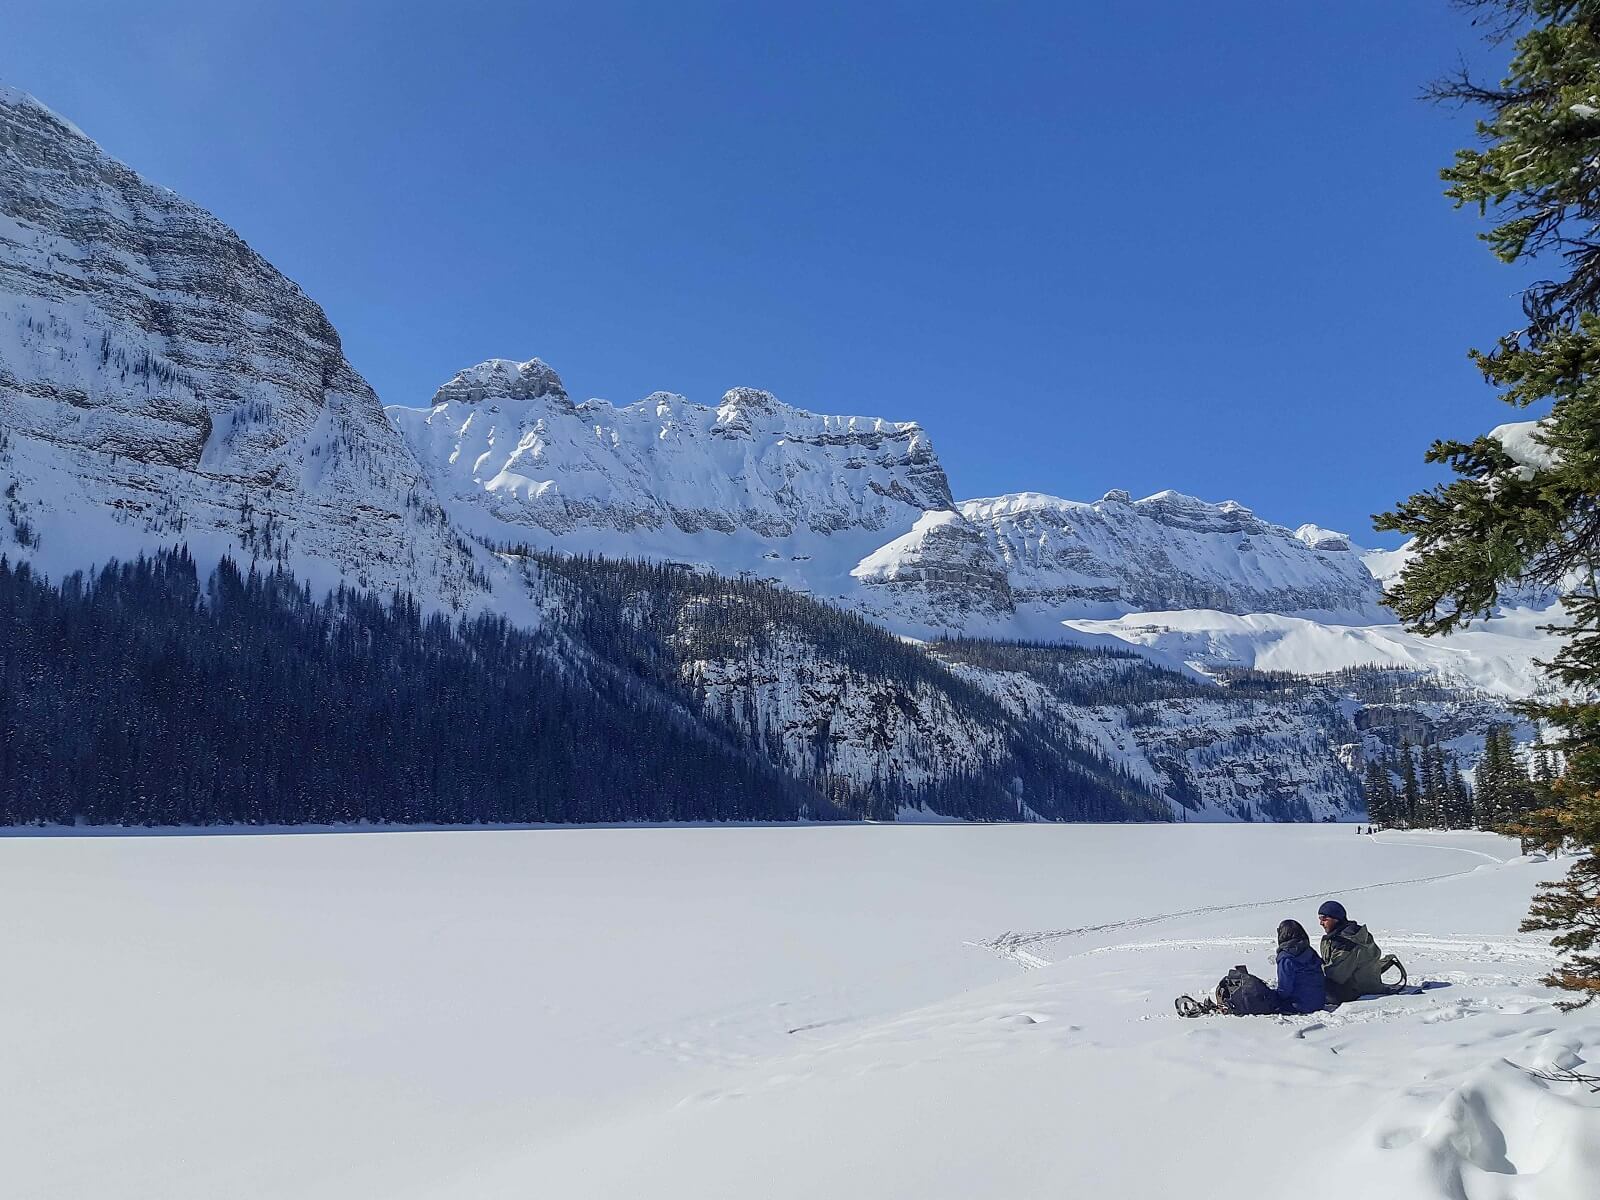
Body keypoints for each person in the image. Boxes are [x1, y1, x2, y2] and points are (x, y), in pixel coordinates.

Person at [1316, 900, 1389, 1002]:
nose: (1321, 923)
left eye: (1324, 919)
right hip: (1367, 983)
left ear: (1336, 919)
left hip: (1357, 990)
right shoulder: (1351, 934)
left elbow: (1336, 975)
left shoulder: (1347, 941)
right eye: (1319, 919)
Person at [1271, 919, 1326, 1014]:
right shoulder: (1310, 951)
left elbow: (1284, 990)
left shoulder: (1286, 958)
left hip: (1298, 1005)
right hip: (1319, 1002)